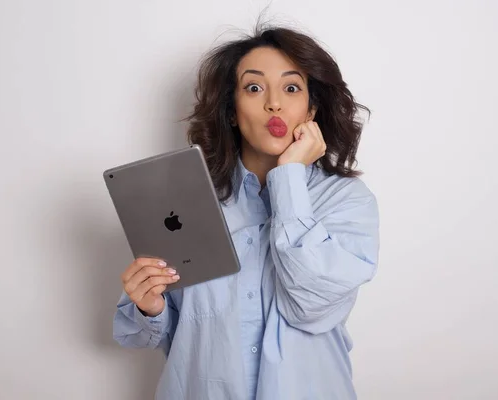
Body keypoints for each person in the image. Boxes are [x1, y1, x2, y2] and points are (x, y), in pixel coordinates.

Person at [113, 24, 380, 400]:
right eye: (254, 88)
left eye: (291, 88)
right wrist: (149, 306)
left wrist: (289, 177)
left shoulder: (346, 200)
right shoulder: (181, 202)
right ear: (233, 112)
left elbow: (312, 306)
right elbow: (140, 336)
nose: (274, 103)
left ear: (311, 109)